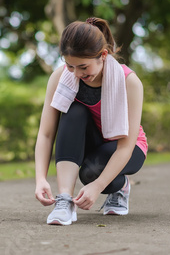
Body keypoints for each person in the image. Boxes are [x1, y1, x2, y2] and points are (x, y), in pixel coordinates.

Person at [34, 17, 148, 225]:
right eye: (70, 66)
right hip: (91, 141)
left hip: (128, 146)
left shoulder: (129, 82)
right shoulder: (60, 78)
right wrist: (40, 178)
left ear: (103, 55)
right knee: (74, 109)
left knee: (91, 174)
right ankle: (65, 201)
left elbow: (126, 146)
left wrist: (97, 186)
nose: (76, 74)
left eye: (83, 67)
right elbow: (46, 133)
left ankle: (120, 186)